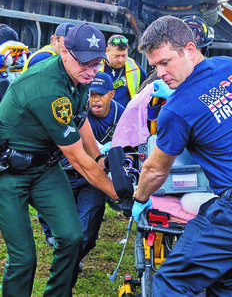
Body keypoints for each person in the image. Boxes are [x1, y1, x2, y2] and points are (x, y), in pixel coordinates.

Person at [131, 16, 232, 295]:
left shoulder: (177, 110)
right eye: (155, 65)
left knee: (170, 283)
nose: (159, 73)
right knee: (226, 278)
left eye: (165, 62)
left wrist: (139, 199)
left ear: (190, 50)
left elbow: (156, 171)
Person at [0, 23, 129, 295]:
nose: (91, 71)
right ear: (65, 52)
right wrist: (119, 195)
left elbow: (79, 119)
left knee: (72, 237)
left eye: (97, 64)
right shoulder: (48, 88)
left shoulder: (79, 77)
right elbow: (80, 162)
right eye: (85, 63)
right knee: (24, 257)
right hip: (9, 174)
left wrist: (99, 155)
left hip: (44, 167)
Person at [40, 72, 125, 264]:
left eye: (100, 94)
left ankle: (71, 261)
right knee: (55, 217)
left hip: (94, 177)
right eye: (91, 94)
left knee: (88, 227)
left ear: (111, 94)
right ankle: (57, 242)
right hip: (66, 173)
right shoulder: (76, 110)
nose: (94, 99)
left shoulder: (123, 115)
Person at [99, 34, 147, 107]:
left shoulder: (134, 67)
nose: (121, 60)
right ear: (107, 51)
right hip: (99, 114)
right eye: (117, 56)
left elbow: (148, 87)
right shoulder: (96, 67)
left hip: (126, 115)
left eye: (124, 56)